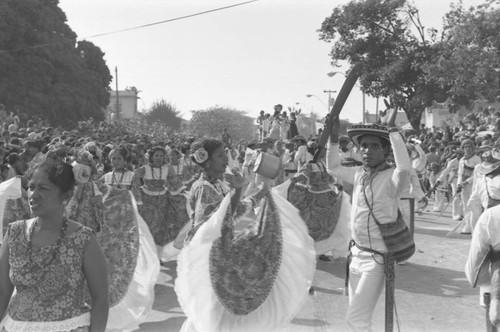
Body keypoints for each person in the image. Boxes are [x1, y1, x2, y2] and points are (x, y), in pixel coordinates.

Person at [176, 138, 315, 332]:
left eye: (225, 153)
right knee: (209, 311)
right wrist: (238, 190)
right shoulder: (203, 188)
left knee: (214, 311)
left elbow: (232, 212)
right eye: (220, 155)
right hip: (207, 256)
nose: (226, 158)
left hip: (219, 251)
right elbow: (213, 223)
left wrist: (258, 195)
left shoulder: (218, 184)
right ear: (205, 160)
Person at [325, 111, 412, 331]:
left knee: (355, 320)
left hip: (378, 259)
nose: (368, 151)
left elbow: (405, 168)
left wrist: (392, 132)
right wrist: (333, 139)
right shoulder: (357, 174)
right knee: (360, 319)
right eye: (364, 146)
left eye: (374, 146)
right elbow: (333, 167)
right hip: (355, 255)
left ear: (385, 150)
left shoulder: (393, 178)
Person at [0, 158, 109, 332]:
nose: (33, 195)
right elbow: (2, 292)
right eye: (31, 187)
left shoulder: (83, 239)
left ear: (66, 196)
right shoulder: (14, 233)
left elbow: (101, 299)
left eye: (43, 188)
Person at [457, 139, 482, 234]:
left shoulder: (477, 159)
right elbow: (460, 173)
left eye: (469, 147)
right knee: (465, 206)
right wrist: (459, 184)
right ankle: (467, 227)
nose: (468, 149)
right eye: (465, 147)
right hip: (463, 186)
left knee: (473, 206)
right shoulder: (462, 160)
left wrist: (467, 181)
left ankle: (475, 228)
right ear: (463, 148)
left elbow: (477, 173)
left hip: (473, 186)